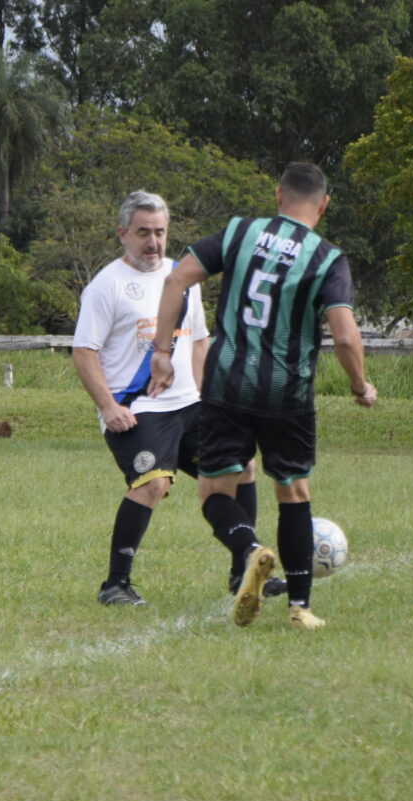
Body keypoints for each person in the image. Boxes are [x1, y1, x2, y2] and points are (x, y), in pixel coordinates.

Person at [147, 163, 377, 631]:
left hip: (226, 385)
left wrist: (163, 353)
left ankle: (249, 548)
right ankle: (300, 608)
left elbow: (175, 280)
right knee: (293, 490)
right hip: (286, 393)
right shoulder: (327, 258)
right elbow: (345, 336)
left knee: (214, 491)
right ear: (323, 204)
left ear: (277, 195)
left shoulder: (240, 232)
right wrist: (360, 385)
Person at [70, 190, 284, 606]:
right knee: (153, 482)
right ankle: (115, 584)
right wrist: (108, 407)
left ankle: (242, 572)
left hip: (192, 404)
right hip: (138, 407)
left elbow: (199, 341)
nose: (153, 242)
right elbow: (83, 352)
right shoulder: (106, 286)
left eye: (160, 232)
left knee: (241, 465)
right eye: (143, 233)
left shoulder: (181, 277)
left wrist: (212, 399)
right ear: (122, 234)